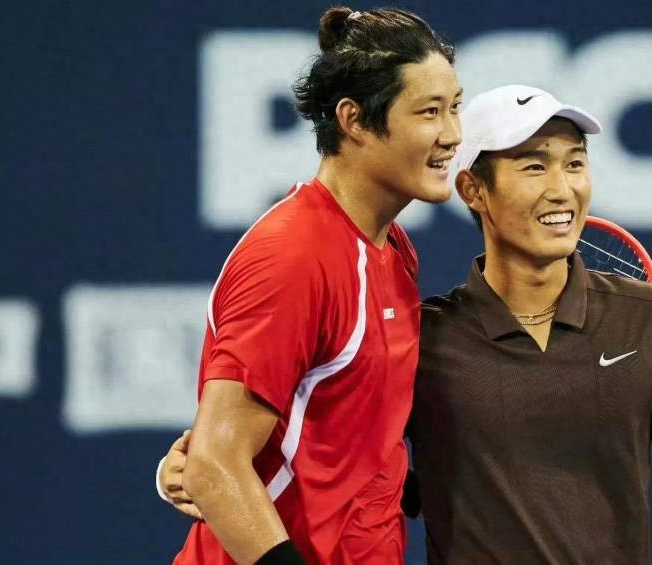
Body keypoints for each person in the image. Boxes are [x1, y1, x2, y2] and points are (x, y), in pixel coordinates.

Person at [163, 84, 652, 564]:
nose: (563, 188)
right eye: (534, 167)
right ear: (474, 189)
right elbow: (332, 456)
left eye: (575, 163)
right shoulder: (423, 341)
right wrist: (193, 461)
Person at [166, 6, 462, 565]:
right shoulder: (294, 257)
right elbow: (214, 464)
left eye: (454, 108)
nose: (452, 135)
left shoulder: (392, 247)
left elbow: (344, 426)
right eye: (429, 112)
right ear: (353, 120)